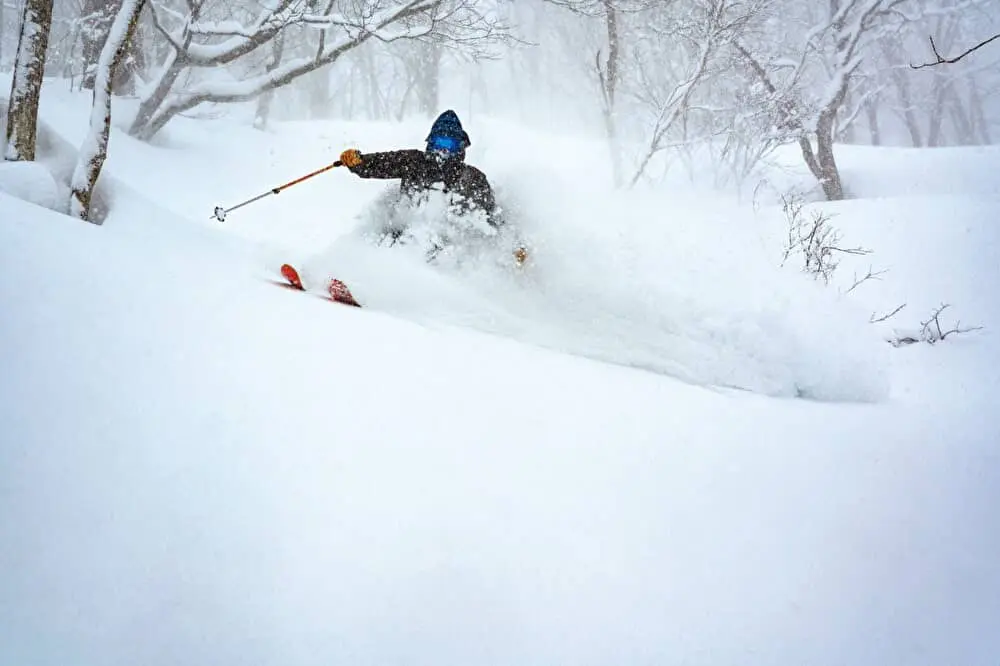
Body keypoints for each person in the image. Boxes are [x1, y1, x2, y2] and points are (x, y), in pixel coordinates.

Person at [339, 110, 526, 265]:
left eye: (449, 145)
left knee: (442, 251)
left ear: (460, 147)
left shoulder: (472, 179)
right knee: (385, 238)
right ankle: (353, 269)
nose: (443, 151)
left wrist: (512, 245)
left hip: (443, 248)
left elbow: (491, 217)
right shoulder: (413, 162)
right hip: (403, 234)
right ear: (430, 143)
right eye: (438, 143)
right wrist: (359, 162)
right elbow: (382, 163)